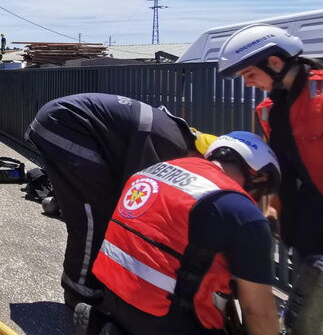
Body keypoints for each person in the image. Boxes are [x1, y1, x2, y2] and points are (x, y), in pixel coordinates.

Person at [83, 132, 281, 335]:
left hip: (111, 292)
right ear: (261, 177)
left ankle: (111, 327)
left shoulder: (152, 171)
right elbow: (258, 313)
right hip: (166, 317)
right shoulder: (240, 209)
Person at [24, 93, 209, 308]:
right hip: (63, 125)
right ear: (200, 155)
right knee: (93, 217)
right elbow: (142, 193)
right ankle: (80, 293)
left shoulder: (173, 131)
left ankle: (89, 279)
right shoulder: (172, 144)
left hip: (60, 121)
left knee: (99, 205)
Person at [216, 24, 323, 259]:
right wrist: (274, 209)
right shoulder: (269, 112)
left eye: (249, 74)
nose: (248, 84)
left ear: (274, 62)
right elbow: (286, 168)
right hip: (311, 232)